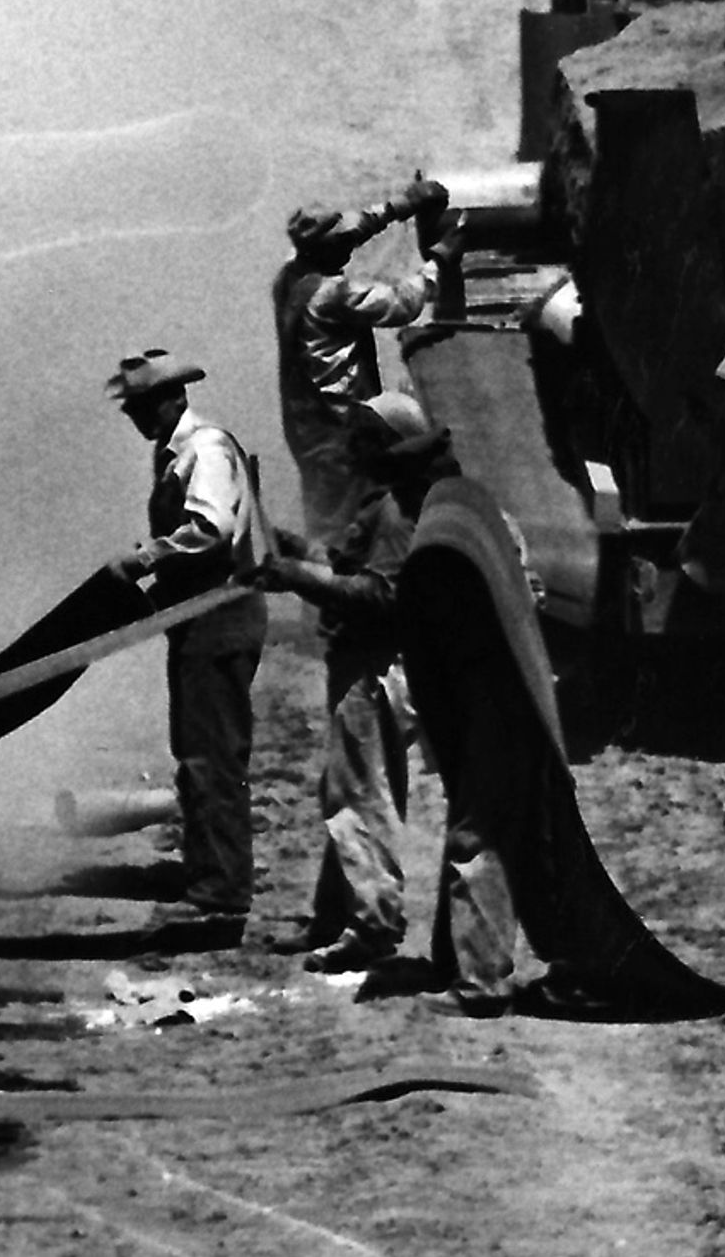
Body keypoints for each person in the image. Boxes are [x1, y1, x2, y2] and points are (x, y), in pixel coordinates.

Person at [250, 390, 458, 975]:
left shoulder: (392, 513)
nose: (351, 448)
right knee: (346, 790)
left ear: (388, 444)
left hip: (372, 667)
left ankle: (372, 924)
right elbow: (349, 568)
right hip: (372, 665)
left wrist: (294, 575)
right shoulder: (390, 503)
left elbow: (379, 594)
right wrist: (298, 551)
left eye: (364, 438)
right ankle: (334, 917)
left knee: (359, 796)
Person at [102, 347, 269, 939]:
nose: (139, 418)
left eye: (146, 406)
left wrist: (147, 556)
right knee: (195, 748)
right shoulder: (174, 453)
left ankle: (222, 888)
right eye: (134, 409)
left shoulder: (205, 452)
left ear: (176, 398)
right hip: (197, 618)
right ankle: (207, 871)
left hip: (219, 616)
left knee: (214, 754)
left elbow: (212, 529)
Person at [272, 188, 451, 545]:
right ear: (324, 250)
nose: (348, 248)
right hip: (338, 427)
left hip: (305, 423)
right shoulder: (331, 294)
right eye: (340, 244)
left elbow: (353, 230)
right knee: (348, 511)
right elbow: (402, 303)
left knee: (325, 498)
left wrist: (403, 205)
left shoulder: (290, 275)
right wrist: (440, 261)